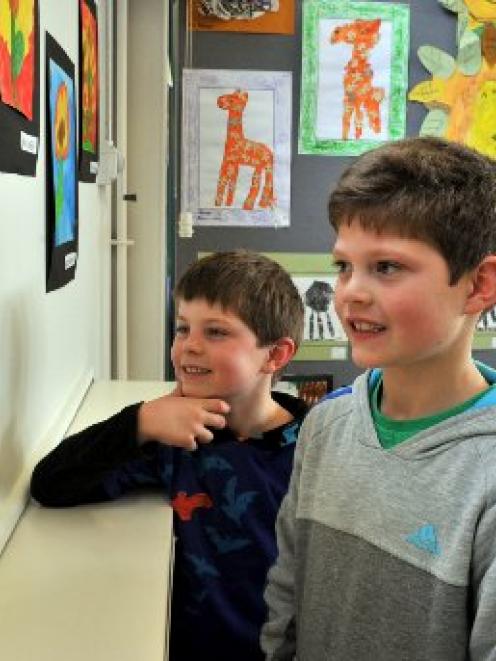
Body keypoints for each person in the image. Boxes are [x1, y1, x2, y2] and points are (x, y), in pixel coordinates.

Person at [261, 137, 496, 660]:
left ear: (480, 284)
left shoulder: (487, 473)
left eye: (386, 267)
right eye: (344, 266)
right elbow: (288, 587)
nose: (350, 293)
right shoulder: (325, 426)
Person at [30, 250, 308, 661]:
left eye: (215, 332)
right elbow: (51, 483)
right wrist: (139, 422)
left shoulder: (317, 449)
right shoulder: (171, 436)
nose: (188, 347)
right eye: (182, 329)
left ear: (275, 355)